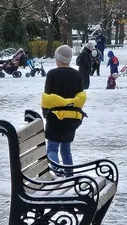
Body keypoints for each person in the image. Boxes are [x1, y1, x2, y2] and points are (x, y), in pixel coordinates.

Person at [41, 45, 87, 176]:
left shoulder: (52, 74)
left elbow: (46, 97)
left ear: (58, 59)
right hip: (71, 117)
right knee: (66, 148)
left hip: (55, 116)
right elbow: (79, 95)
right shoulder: (77, 75)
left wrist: (45, 113)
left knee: (52, 147)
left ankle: (57, 172)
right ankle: (69, 173)